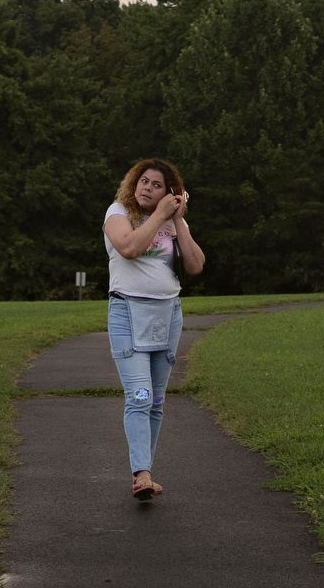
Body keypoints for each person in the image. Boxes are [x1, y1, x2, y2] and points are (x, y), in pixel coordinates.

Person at [103, 157, 206, 502]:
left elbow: (195, 265)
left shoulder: (173, 223)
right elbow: (129, 248)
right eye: (143, 181)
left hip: (168, 315)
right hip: (128, 313)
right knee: (140, 395)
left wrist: (177, 220)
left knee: (157, 400)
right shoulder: (118, 213)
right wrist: (161, 215)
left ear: (170, 192)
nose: (147, 188)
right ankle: (141, 474)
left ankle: (146, 469)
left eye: (157, 184)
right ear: (134, 183)